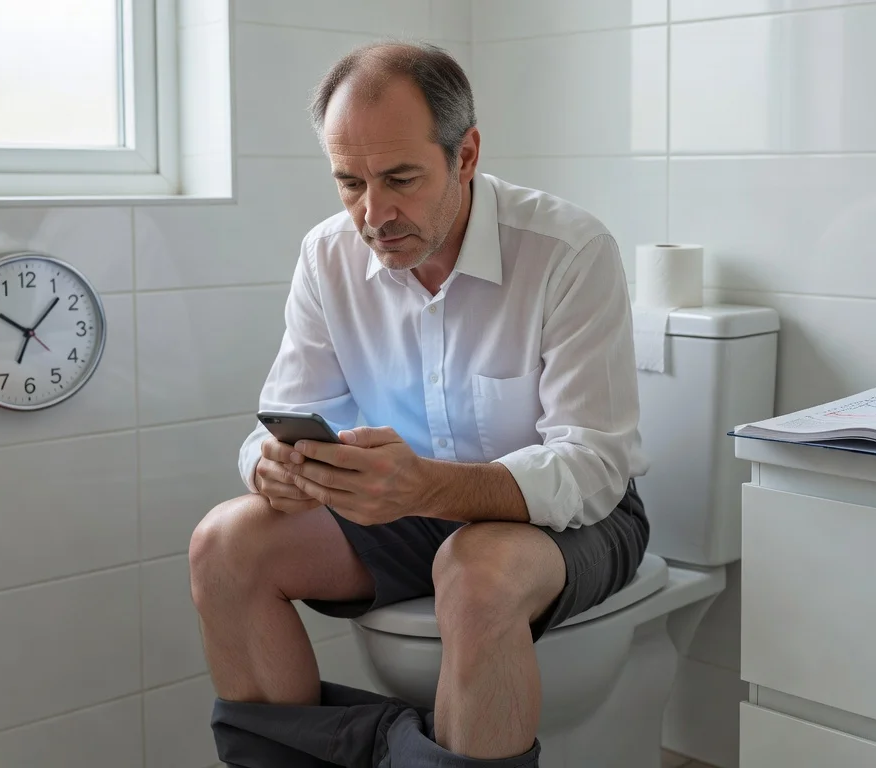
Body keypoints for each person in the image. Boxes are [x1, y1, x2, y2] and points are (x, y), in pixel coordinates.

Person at [189, 41, 649, 766]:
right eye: (349, 183)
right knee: (226, 544)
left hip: (569, 518)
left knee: (477, 572)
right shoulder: (327, 255)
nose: (374, 214)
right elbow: (283, 413)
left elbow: (594, 464)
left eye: (401, 178)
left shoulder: (568, 250)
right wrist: (271, 466)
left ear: (465, 155)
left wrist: (429, 485)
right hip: (404, 507)